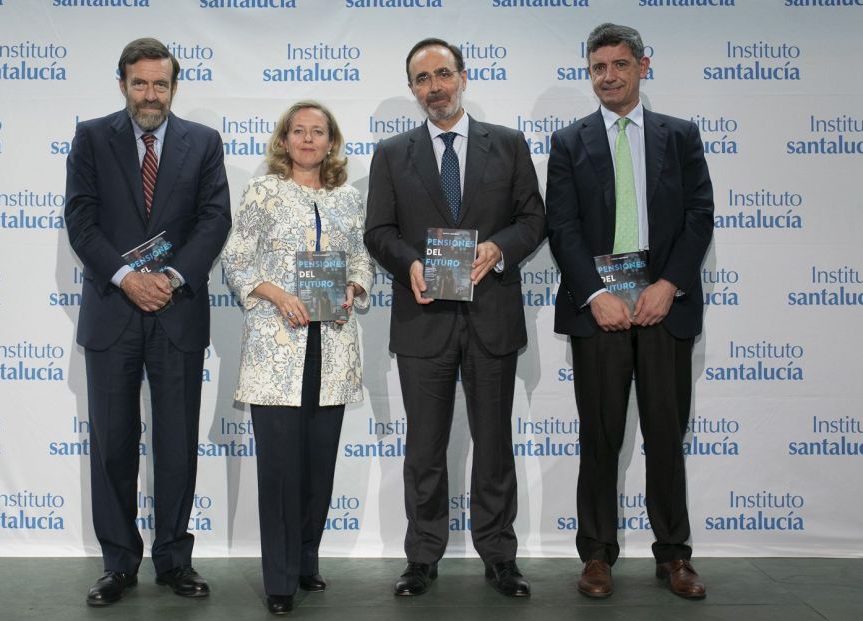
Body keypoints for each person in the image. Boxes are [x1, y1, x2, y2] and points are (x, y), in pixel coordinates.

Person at [365, 38, 545, 598]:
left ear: (463, 77)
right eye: (422, 79)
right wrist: (411, 263)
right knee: (424, 448)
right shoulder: (393, 153)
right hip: (423, 321)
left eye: (443, 74)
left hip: (491, 316)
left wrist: (498, 248)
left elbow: (533, 219)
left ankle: (499, 555)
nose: (435, 87)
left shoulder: (509, 145)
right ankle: (421, 556)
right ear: (413, 88)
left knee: (494, 444)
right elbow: (378, 233)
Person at [546, 23, 714, 600]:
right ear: (588, 73)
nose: (609, 76)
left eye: (620, 64)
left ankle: (675, 557)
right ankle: (596, 555)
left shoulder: (681, 136)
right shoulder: (569, 142)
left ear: (644, 66)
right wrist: (596, 295)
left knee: (667, 437)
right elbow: (561, 227)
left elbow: (700, 217)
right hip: (600, 313)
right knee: (599, 439)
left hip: (664, 309)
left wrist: (668, 284)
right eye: (598, 67)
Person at [64, 37, 230, 606]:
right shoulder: (91, 138)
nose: (151, 94)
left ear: (173, 87)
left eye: (161, 84)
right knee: (112, 443)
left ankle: (175, 561)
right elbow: (80, 221)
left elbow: (214, 220)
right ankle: (118, 563)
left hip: (176, 312)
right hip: (113, 312)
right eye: (140, 83)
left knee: (177, 443)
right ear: (122, 84)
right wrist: (126, 278)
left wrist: (173, 278)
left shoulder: (203, 143)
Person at [222, 101, 374, 615]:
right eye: (298, 131)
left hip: (330, 347)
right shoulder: (263, 191)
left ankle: (307, 560)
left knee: (318, 468)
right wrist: (277, 294)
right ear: (283, 140)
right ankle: (280, 580)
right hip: (276, 347)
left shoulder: (348, 198)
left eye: (318, 131)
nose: (308, 139)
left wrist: (353, 285)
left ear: (331, 142)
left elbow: (360, 258)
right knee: (281, 471)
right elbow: (236, 261)